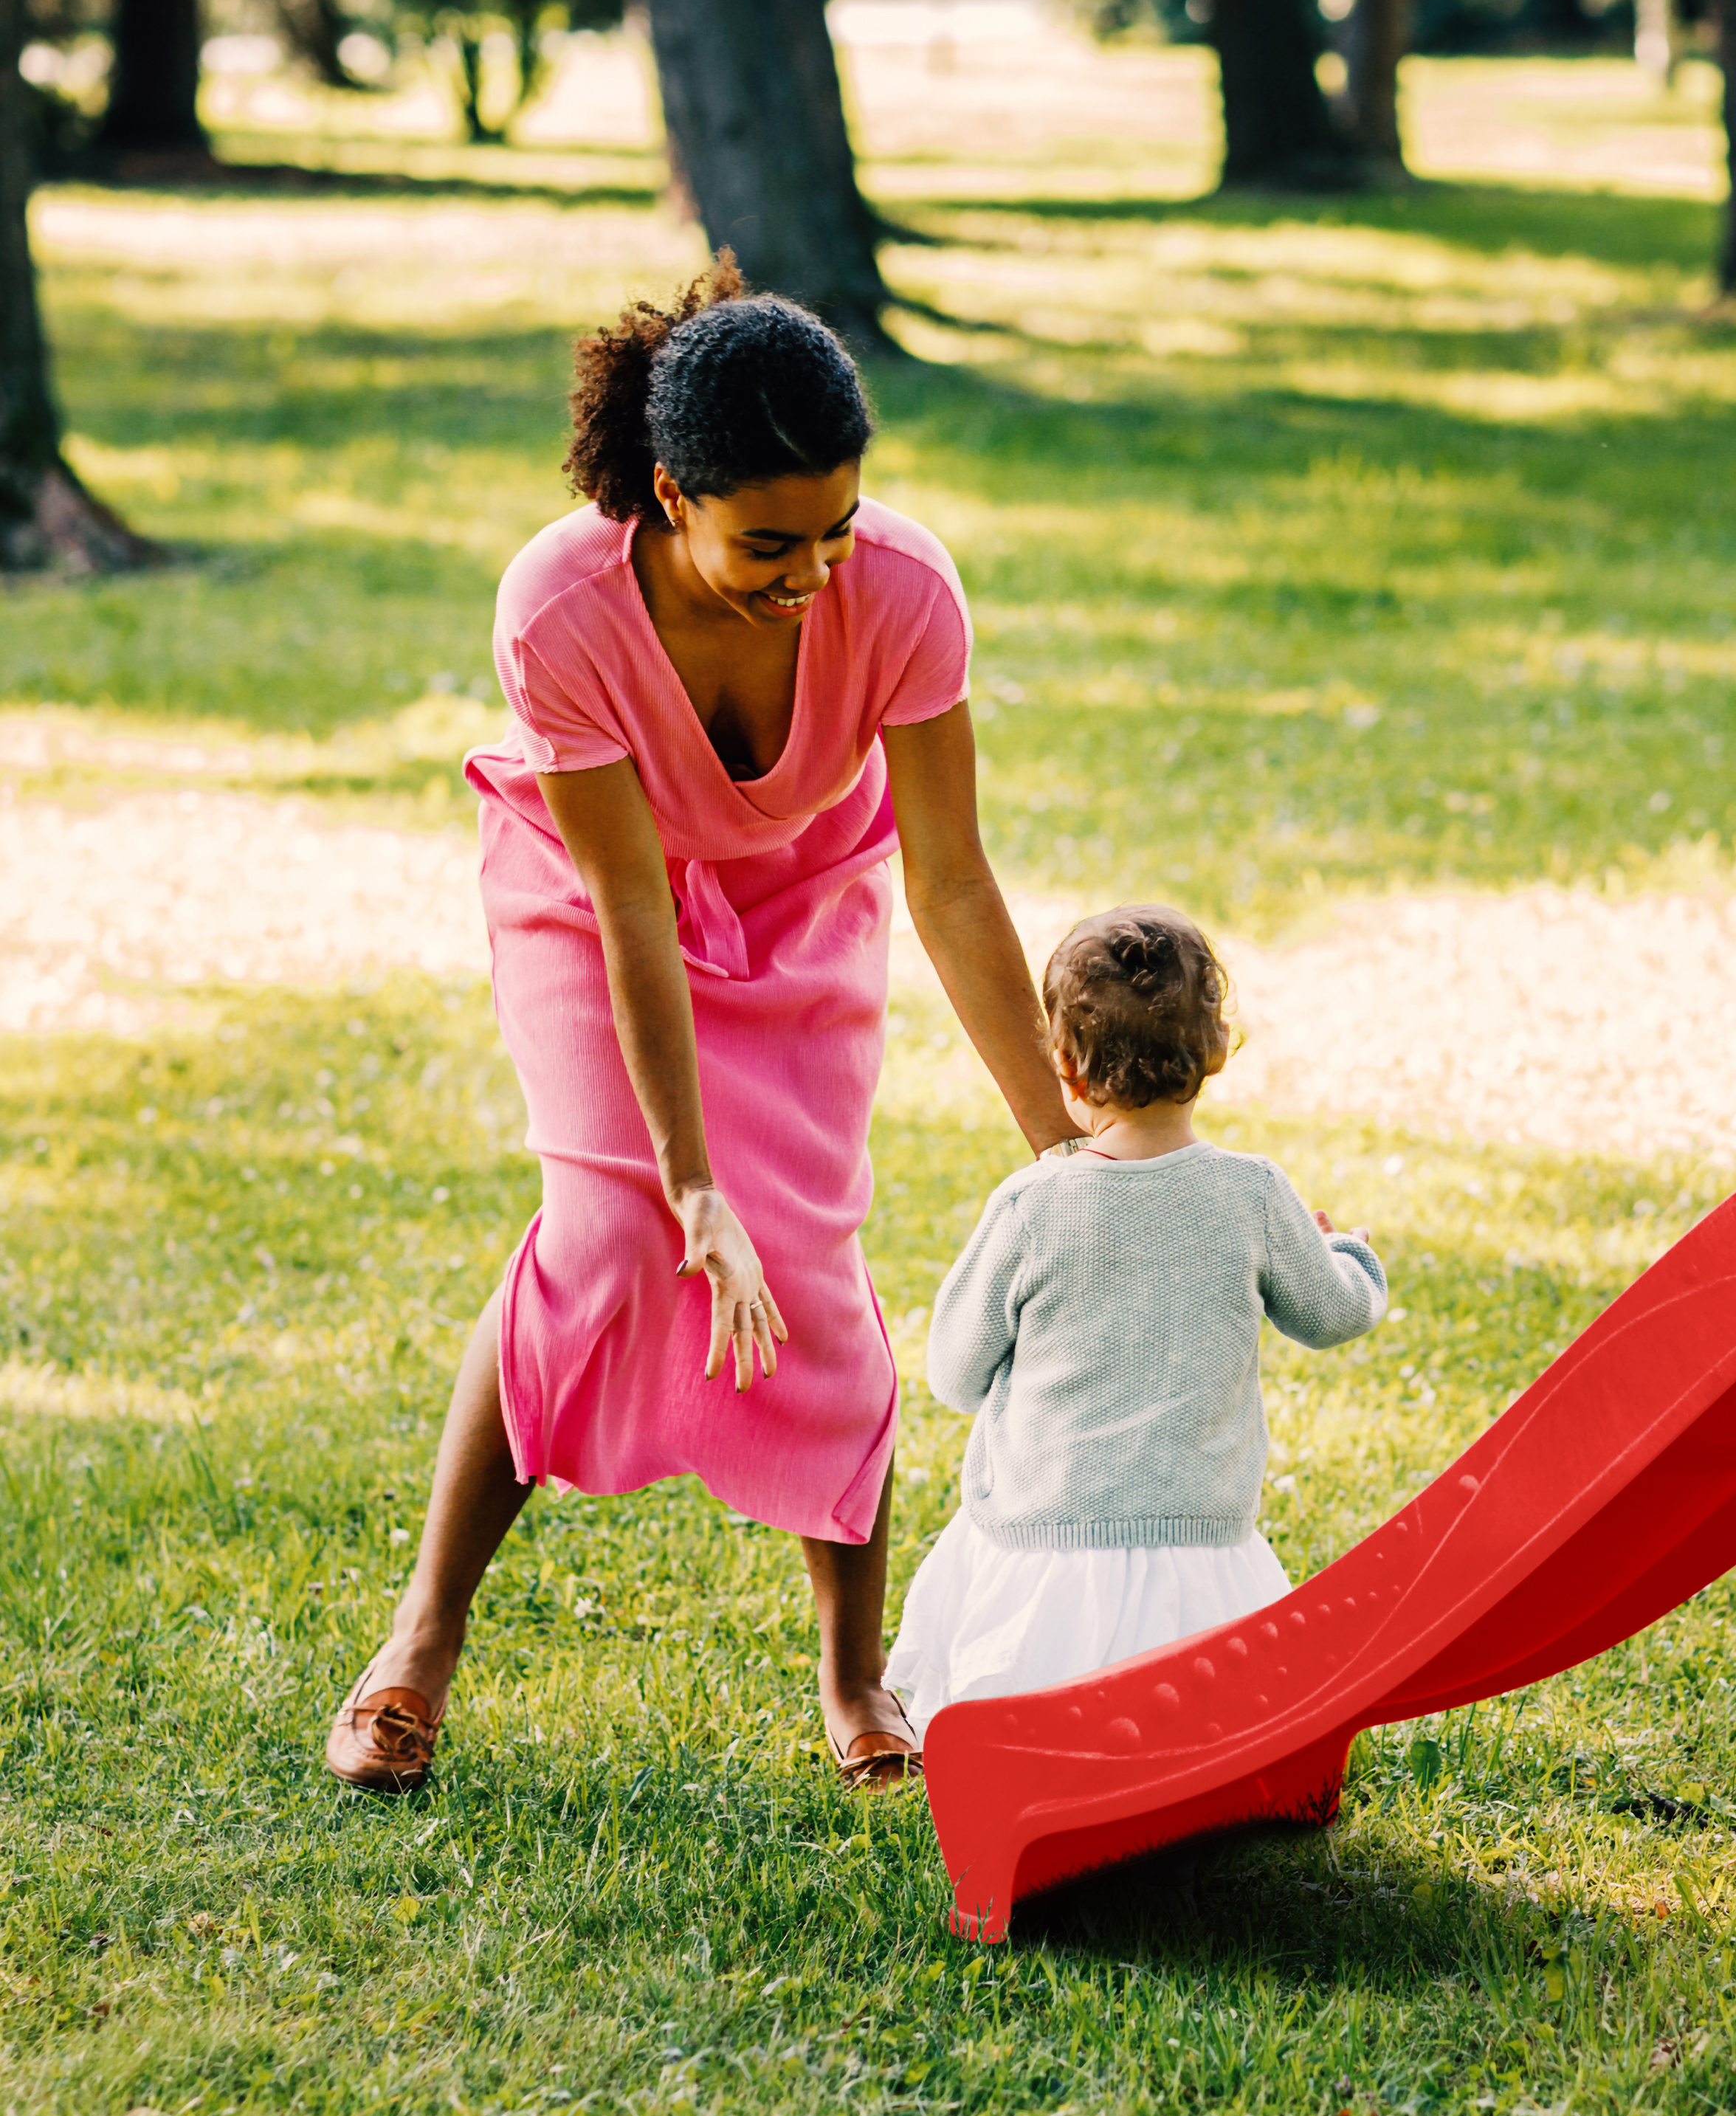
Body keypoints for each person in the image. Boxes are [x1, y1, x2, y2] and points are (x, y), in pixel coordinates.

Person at [325, 258, 1081, 1795]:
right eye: (771, 542)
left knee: (808, 1253)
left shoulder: (909, 595)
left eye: (840, 528)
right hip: (601, 905)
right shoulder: (563, 610)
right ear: (672, 496)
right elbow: (631, 910)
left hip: (806, 896)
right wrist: (684, 1180)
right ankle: (417, 1646)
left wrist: (1068, 1151)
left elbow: (949, 882)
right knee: (604, 1238)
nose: (815, 574)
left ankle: (857, 1676)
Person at [884, 905, 1388, 1731]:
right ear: (1216, 1050)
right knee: (1206, 1743)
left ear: (1066, 1070)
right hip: (1201, 1548)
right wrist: (1354, 1259)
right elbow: (1332, 1315)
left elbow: (953, 1374)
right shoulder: (1254, 1193)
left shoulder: (1031, 1205)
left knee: (1036, 1737)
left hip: (1041, 1549)